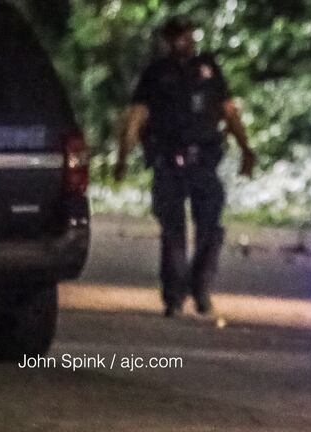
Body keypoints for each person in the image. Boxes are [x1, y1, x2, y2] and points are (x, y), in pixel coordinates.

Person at [114, 16, 256, 317]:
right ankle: (174, 296)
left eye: (188, 34)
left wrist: (246, 149)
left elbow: (228, 111)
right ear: (167, 40)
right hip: (168, 160)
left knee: (211, 229)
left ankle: (201, 288)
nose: (185, 40)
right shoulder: (155, 74)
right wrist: (123, 158)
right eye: (178, 35)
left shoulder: (207, 69)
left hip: (204, 160)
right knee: (173, 231)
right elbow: (137, 118)